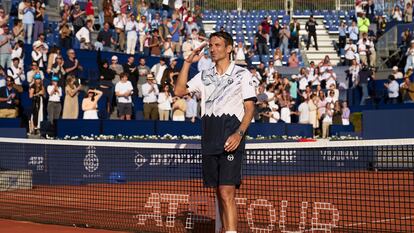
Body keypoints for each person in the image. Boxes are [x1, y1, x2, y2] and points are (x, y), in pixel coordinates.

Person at [175, 31, 256, 233]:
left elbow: (250, 109)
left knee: (226, 191)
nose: (212, 49)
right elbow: (179, 92)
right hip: (209, 139)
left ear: (229, 49)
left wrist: (239, 134)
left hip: (231, 138)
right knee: (219, 194)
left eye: (217, 45)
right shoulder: (204, 75)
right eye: (211, 45)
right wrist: (187, 62)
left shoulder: (242, 75)